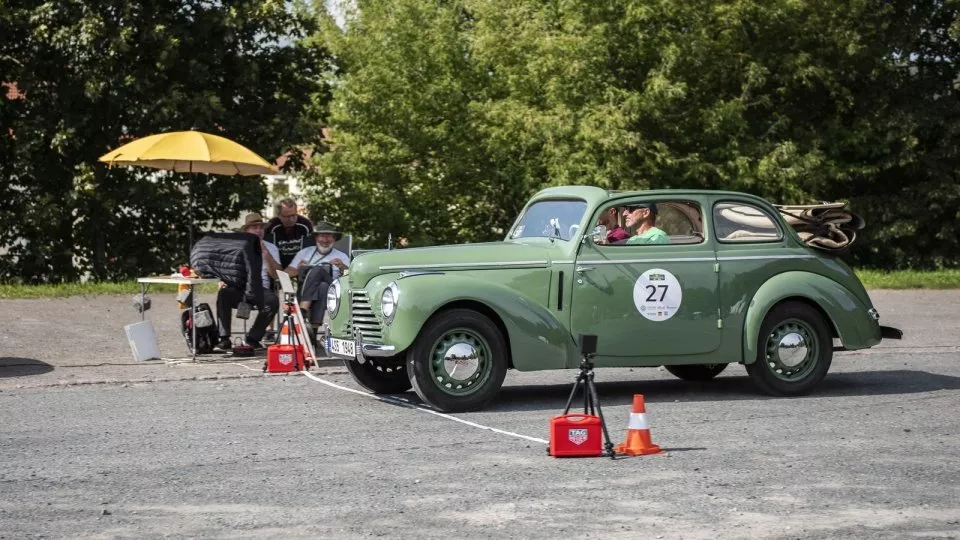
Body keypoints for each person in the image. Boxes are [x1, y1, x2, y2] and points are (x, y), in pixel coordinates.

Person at [215, 213, 282, 350]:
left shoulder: (271, 248)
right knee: (223, 294)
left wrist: (266, 253)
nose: (258, 230)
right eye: (254, 227)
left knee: (273, 301)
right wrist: (224, 279)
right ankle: (224, 338)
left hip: (260, 288)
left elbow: (276, 275)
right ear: (246, 231)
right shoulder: (235, 247)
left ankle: (253, 338)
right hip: (239, 287)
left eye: (260, 227)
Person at [286, 221, 350, 325]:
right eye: (322, 236)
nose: (325, 240)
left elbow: (351, 278)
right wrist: (298, 269)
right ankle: (313, 333)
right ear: (316, 238)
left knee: (319, 270)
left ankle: (302, 310)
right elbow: (286, 273)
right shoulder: (304, 253)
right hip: (305, 290)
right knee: (322, 286)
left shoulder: (342, 256)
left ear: (334, 239)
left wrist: (342, 267)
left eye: (329, 236)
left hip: (332, 294)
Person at [265, 198, 314, 268]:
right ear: (279, 215)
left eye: (294, 215)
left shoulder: (305, 225)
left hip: (299, 267)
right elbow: (269, 253)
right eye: (287, 217)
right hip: (278, 268)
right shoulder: (272, 226)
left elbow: (309, 251)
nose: (291, 219)